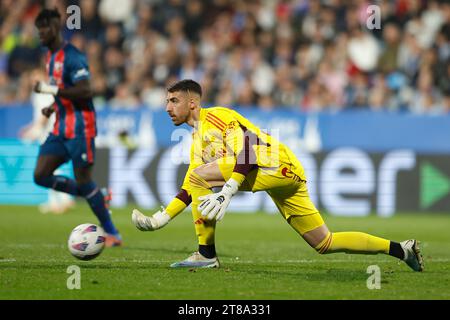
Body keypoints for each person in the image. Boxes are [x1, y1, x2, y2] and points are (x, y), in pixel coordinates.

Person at [132, 79, 423, 271]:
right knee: (324, 242)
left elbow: (248, 149)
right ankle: (402, 250)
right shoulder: (197, 139)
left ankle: (206, 255)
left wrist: (228, 190)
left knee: (200, 175)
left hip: (275, 164)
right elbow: (191, 186)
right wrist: (161, 219)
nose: (167, 107)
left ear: (192, 103)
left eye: (172, 101)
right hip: (283, 180)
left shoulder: (217, 117)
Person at [32, 8, 122, 246]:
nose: (41, 32)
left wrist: (50, 91)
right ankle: (96, 196)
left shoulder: (73, 56)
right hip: (61, 127)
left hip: (81, 128)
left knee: (84, 179)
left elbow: (85, 90)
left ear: (56, 28)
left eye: (45, 28)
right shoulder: (50, 58)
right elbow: (65, 89)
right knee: (40, 175)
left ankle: (112, 232)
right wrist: (53, 106)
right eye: (38, 28)